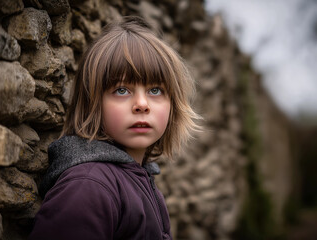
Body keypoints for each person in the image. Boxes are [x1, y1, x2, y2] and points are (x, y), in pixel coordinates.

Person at [29, 16, 200, 240]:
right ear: (93, 102)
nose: (141, 104)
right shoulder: (88, 186)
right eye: (121, 90)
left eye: (155, 90)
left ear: (173, 103)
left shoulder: (141, 179)